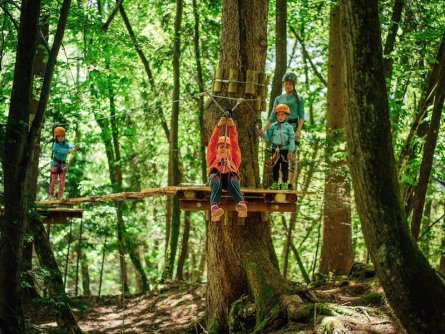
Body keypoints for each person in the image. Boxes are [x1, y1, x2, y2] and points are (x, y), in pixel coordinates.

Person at [258, 72, 304, 189]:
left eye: (290, 84)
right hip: (279, 130)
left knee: (291, 156)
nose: (287, 86)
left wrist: (298, 131)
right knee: (279, 156)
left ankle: (290, 183)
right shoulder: (279, 98)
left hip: (292, 129)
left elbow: (302, 116)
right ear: (283, 84)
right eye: (286, 84)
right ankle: (280, 183)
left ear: (294, 85)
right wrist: (263, 130)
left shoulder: (299, 99)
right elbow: (272, 117)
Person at [207, 116, 247, 222]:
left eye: (227, 147)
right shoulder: (213, 158)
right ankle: (214, 208)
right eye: (221, 147)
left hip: (229, 179)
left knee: (234, 180)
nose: (224, 149)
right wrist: (219, 126)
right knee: (216, 181)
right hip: (216, 178)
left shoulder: (234, 159)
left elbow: (234, 143)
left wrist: (232, 128)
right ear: (217, 149)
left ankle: (241, 204)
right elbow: (212, 143)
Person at [261, 104, 295, 190]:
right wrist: (262, 134)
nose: (280, 117)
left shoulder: (289, 127)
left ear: (286, 115)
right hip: (275, 150)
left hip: (285, 150)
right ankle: (275, 183)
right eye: (278, 115)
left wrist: (290, 151)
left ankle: (284, 183)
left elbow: (291, 139)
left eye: (282, 115)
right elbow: (268, 138)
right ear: (276, 115)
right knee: (275, 167)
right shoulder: (273, 127)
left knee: (284, 167)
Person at [49, 126, 79, 199]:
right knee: (54, 180)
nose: (61, 138)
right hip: (55, 165)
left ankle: (60, 196)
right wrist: (69, 150)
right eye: (59, 136)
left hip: (63, 165)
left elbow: (71, 146)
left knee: (62, 181)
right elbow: (61, 150)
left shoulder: (66, 144)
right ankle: (51, 195)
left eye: (62, 136)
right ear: (56, 137)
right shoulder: (55, 145)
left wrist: (75, 146)